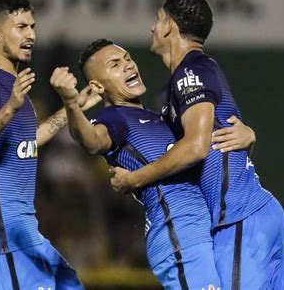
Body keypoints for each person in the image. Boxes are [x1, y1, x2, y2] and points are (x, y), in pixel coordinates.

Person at [110, 0, 284, 289]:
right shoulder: (194, 74)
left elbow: (197, 147)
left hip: (238, 216)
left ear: (169, 27)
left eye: (158, 19)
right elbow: (221, 132)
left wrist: (135, 180)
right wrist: (250, 135)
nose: (153, 27)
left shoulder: (190, 71)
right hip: (257, 212)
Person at [51, 39, 256, 289]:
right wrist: (71, 104)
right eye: (115, 64)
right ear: (96, 86)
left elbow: (207, 152)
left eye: (127, 58)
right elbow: (92, 141)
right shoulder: (114, 119)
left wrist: (248, 136)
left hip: (207, 229)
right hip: (179, 230)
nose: (128, 65)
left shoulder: (161, 118)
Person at [0, 0, 96, 289]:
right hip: (0, 236)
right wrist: (10, 107)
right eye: (21, 27)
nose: (31, 35)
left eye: (32, 26)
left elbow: (26, 143)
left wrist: (74, 107)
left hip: (17, 233)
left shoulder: (12, 83)